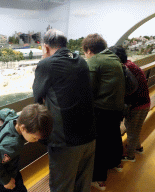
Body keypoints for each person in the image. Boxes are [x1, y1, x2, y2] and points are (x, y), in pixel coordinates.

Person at [33, 29, 96, 192]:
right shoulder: (80, 60)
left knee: (62, 186)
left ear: (46, 47)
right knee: (83, 185)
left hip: (65, 141)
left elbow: (37, 97)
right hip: (89, 135)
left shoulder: (46, 64)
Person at [82, 34, 125, 191]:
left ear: (89, 50)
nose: (85, 56)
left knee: (99, 145)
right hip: (117, 108)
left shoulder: (95, 61)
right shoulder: (113, 58)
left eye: (85, 52)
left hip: (102, 110)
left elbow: (89, 91)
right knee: (113, 136)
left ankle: (99, 180)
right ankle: (116, 163)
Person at [0, 104, 53, 192]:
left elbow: (5, 112)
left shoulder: (14, 119)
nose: (37, 140)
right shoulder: (13, 144)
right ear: (23, 128)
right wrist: (6, 181)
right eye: (35, 138)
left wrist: (0, 114)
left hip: (5, 170)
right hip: (3, 176)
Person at [109, 45, 150, 162]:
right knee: (135, 128)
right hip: (144, 103)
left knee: (131, 130)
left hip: (137, 105)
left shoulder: (124, 69)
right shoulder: (130, 64)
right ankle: (138, 147)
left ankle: (130, 156)